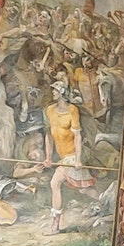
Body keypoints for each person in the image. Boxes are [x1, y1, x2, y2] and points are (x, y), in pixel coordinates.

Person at [43, 81, 99, 234]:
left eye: (55, 90)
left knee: (55, 183)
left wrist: (78, 159)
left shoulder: (72, 110)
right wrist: (48, 157)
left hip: (73, 156)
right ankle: (104, 201)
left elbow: (77, 136)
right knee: (84, 190)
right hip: (63, 158)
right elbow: (48, 135)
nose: (52, 92)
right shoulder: (50, 110)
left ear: (62, 92)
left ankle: (55, 226)